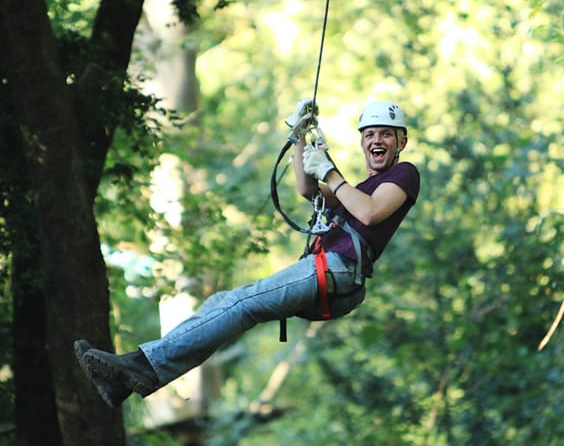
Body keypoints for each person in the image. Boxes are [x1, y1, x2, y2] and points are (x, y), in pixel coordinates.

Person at [75, 100, 421, 407]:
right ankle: (136, 377)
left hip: (337, 270)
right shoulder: (357, 188)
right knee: (225, 305)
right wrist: (300, 139)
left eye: (386, 134)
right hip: (324, 270)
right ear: (362, 142)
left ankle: (139, 366)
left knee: (242, 303)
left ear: (401, 142)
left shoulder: (404, 174)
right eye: (370, 134)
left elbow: (370, 213)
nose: (377, 140)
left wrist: (330, 171)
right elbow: (308, 190)